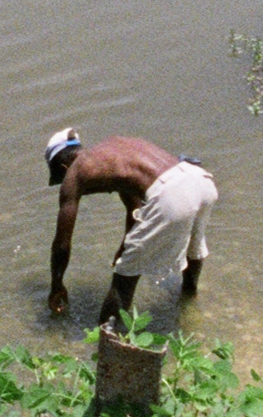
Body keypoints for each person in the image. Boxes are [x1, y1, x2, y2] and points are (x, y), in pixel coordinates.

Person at [42, 127, 217, 327]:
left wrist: (56, 286)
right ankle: (189, 302)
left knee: (123, 280)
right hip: (199, 179)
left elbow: (62, 244)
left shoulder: (75, 172)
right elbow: (134, 208)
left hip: (171, 192)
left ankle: (106, 345)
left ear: (64, 167)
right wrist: (125, 247)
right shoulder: (112, 151)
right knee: (193, 247)